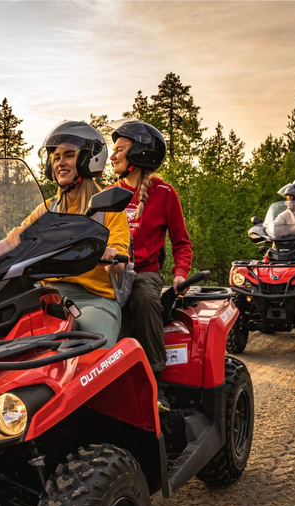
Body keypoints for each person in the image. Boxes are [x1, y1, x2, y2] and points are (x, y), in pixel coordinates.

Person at [0, 121, 130, 348]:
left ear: (87, 161)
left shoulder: (108, 208)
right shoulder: (48, 210)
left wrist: (110, 256)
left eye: (69, 155)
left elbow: (119, 262)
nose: (61, 163)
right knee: (6, 346)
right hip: (48, 299)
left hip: (93, 301)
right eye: (56, 157)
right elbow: (11, 242)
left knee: (91, 353)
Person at [108, 120, 192, 412]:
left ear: (139, 153)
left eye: (119, 149)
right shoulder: (108, 194)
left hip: (145, 271)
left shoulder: (165, 194)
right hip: (111, 273)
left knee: (144, 297)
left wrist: (180, 275)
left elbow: (181, 243)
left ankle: (156, 383)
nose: (112, 155)